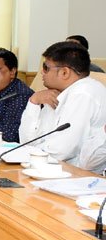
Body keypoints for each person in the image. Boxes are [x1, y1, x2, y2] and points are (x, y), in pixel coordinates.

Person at [19, 42, 106, 172]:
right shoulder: (55, 93)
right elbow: (26, 141)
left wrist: (33, 152)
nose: (42, 73)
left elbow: (61, 151)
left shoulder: (84, 93)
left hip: (79, 178)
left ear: (65, 72)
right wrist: (33, 101)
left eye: (46, 68)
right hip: (50, 169)